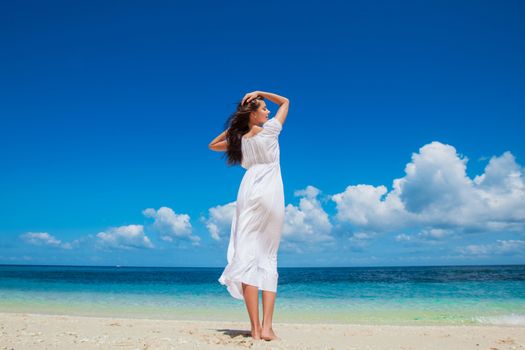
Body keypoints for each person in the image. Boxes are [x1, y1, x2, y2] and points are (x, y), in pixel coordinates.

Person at [208, 90, 289, 341]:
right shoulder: (271, 129)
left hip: (250, 191)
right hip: (272, 192)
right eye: (263, 108)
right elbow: (286, 101)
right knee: (268, 256)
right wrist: (260, 92)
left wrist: (236, 126)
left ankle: (254, 329)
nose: (268, 111)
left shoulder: (240, 140)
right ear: (253, 113)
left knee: (247, 256)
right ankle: (267, 328)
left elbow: (212, 145)